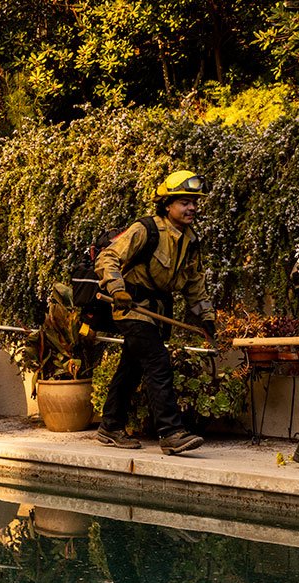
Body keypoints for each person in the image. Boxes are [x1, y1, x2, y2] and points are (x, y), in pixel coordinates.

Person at [94, 170, 215, 455]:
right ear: (167, 205)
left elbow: (195, 283)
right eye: (185, 202)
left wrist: (206, 317)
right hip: (132, 308)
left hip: (156, 312)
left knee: (131, 368)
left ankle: (110, 426)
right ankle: (171, 433)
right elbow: (107, 257)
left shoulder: (190, 241)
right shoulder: (145, 229)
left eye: (194, 202)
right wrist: (117, 289)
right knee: (158, 362)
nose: (192, 208)